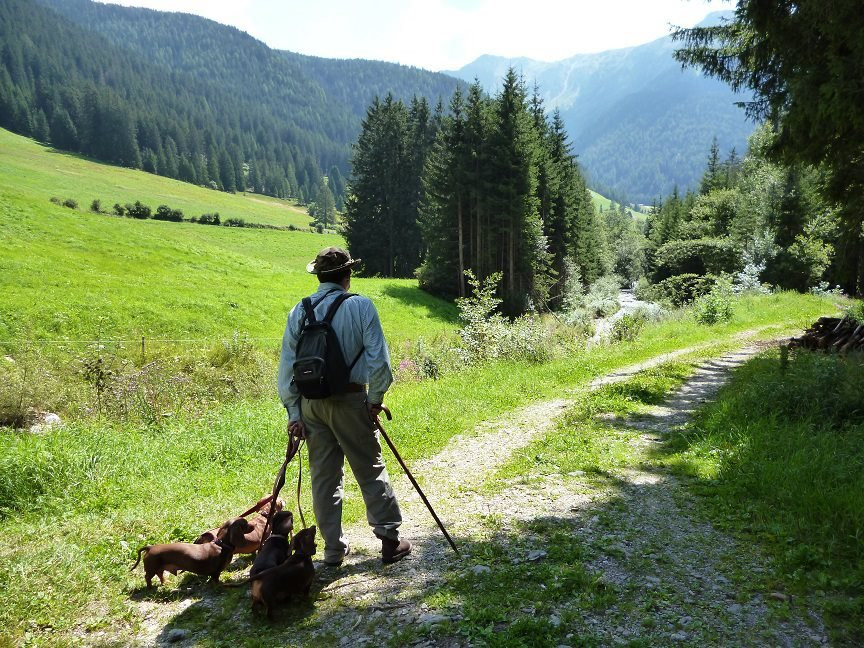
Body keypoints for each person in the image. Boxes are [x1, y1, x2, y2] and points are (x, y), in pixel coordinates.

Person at [277, 246, 411, 566]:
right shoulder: (361, 306)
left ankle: (333, 550)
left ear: (319, 276)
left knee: (323, 476)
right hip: (350, 400)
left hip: (311, 405)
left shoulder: (300, 310)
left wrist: (294, 413)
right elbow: (380, 363)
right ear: (347, 276)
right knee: (369, 466)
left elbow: (286, 369)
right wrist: (375, 401)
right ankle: (390, 542)